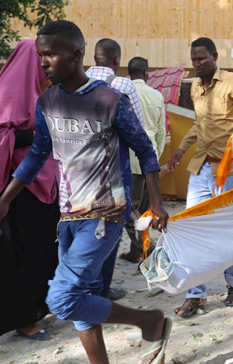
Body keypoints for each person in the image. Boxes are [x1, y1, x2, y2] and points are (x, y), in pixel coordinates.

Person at [0, 21, 171, 364]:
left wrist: (156, 201)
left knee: (62, 298)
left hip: (106, 212)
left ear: (76, 55)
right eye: (41, 56)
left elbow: (145, 150)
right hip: (67, 214)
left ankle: (149, 320)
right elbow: (39, 153)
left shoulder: (109, 100)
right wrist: (4, 201)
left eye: (50, 55)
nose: (43, 63)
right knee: (85, 296)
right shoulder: (48, 101)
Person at [0, 41, 59, 340]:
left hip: (41, 183)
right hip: (11, 190)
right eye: (42, 59)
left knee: (40, 252)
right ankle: (20, 319)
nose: (46, 65)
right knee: (14, 257)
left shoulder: (42, 92)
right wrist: (32, 134)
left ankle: (37, 309)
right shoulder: (6, 96)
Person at [167, 37, 233, 317]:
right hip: (200, 169)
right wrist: (180, 150)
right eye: (194, 59)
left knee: (226, 232)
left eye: (201, 59)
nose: (197, 64)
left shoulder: (231, 81)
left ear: (214, 56)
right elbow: (199, 123)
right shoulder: (195, 86)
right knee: (193, 230)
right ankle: (196, 294)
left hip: (229, 170)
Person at [86, 38, 146, 301]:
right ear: (116, 61)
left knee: (84, 228)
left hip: (80, 170)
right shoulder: (122, 85)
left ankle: (84, 285)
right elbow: (138, 128)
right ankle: (103, 288)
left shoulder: (77, 81)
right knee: (111, 228)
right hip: (113, 171)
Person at [120, 57, 166, 264]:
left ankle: (142, 247)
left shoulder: (123, 93)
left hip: (129, 157)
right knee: (146, 209)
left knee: (129, 209)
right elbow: (161, 132)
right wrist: (155, 158)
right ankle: (139, 249)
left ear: (129, 74)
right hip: (150, 159)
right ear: (147, 73)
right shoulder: (156, 96)